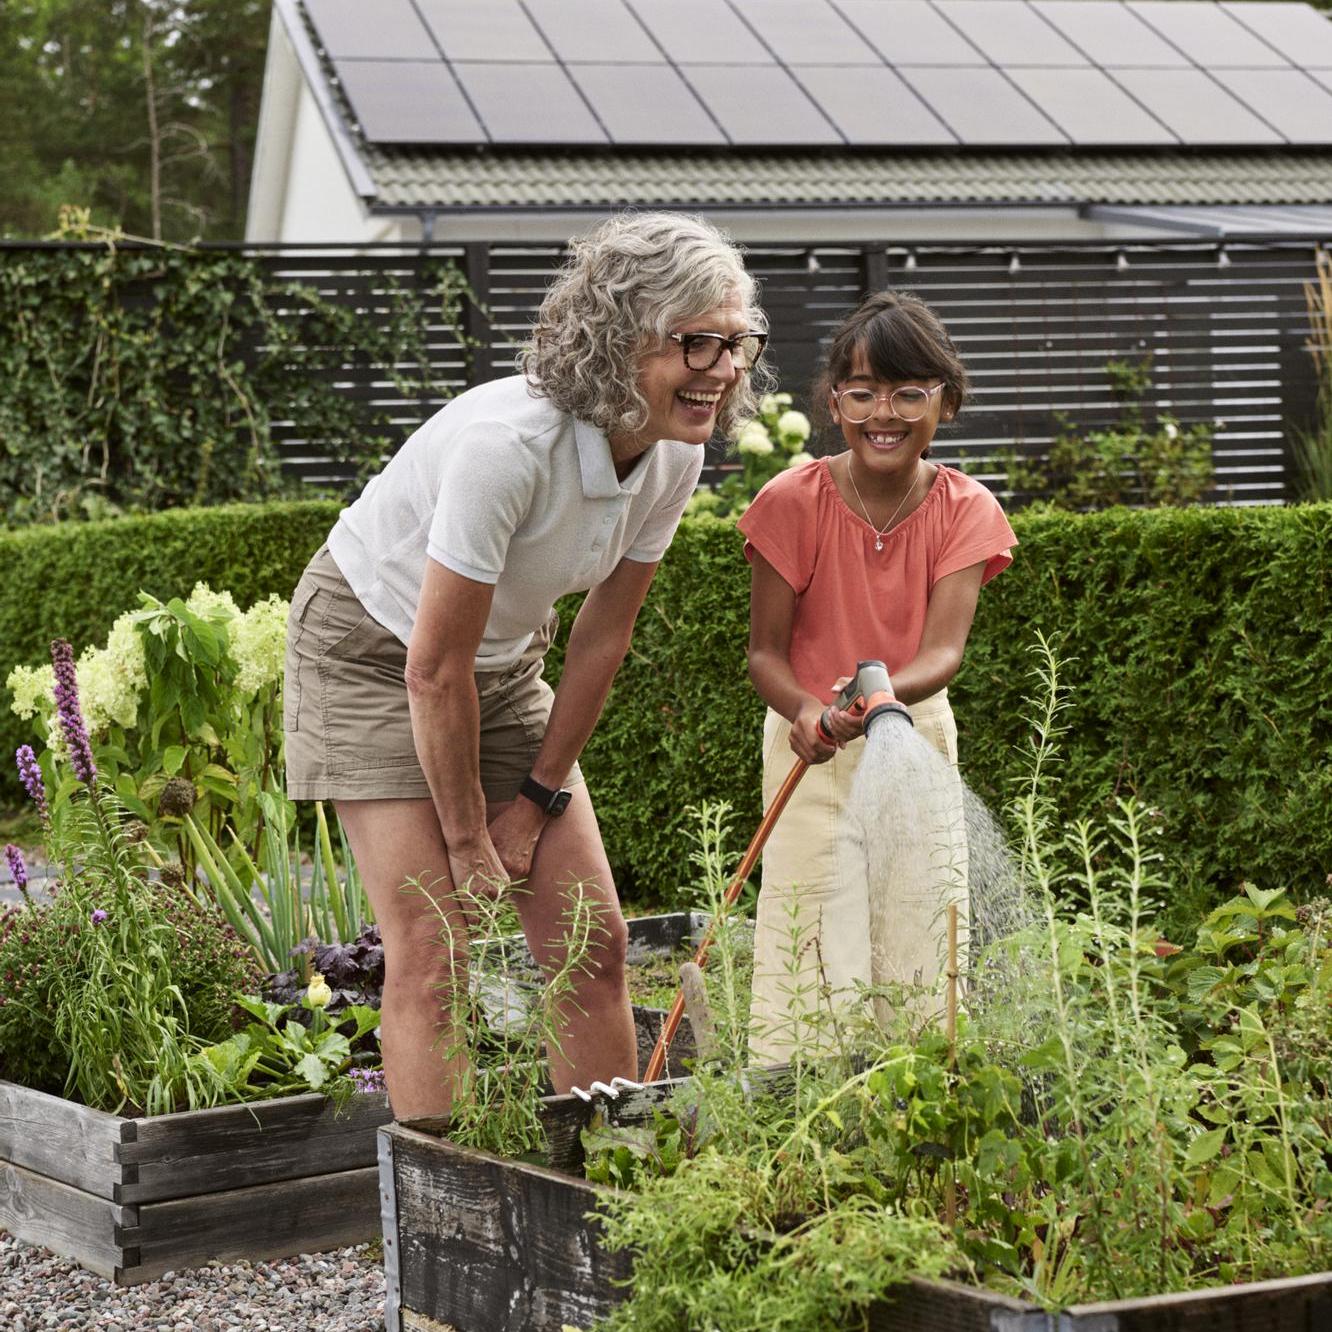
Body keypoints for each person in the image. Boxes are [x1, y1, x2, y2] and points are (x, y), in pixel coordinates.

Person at [283, 212, 769, 1117]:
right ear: (621, 341)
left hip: (495, 668)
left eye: (738, 343)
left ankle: (603, 1190)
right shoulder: (507, 447)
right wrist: (470, 840)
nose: (724, 370)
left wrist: (537, 800)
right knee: (436, 950)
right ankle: (446, 1213)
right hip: (367, 654)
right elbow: (431, 671)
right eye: (696, 343)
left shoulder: (670, 456)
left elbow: (600, 636)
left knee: (594, 943)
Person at [737, 290, 1016, 1064]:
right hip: (808, 741)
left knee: (922, 927)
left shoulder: (967, 508)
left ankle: (916, 1103)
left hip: (913, 731)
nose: (882, 413)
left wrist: (880, 695)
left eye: (907, 392)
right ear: (835, 402)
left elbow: (943, 653)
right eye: (862, 392)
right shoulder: (790, 502)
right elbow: (766, 653)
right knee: (810, 932)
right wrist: (806, 712)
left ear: (946, 403)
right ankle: (797, 1117)